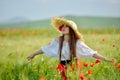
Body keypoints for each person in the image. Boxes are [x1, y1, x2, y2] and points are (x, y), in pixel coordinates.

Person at [27, 17, 114, 80]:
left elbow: (91, 53)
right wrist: (33, 54)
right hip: (62, 67)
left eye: (66, 26)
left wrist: (106, 59)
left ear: (71, 30)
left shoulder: (77, 43)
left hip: (74, 67)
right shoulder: (58, 41)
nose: (63, 28)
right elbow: (45, 49)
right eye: (62, 26)